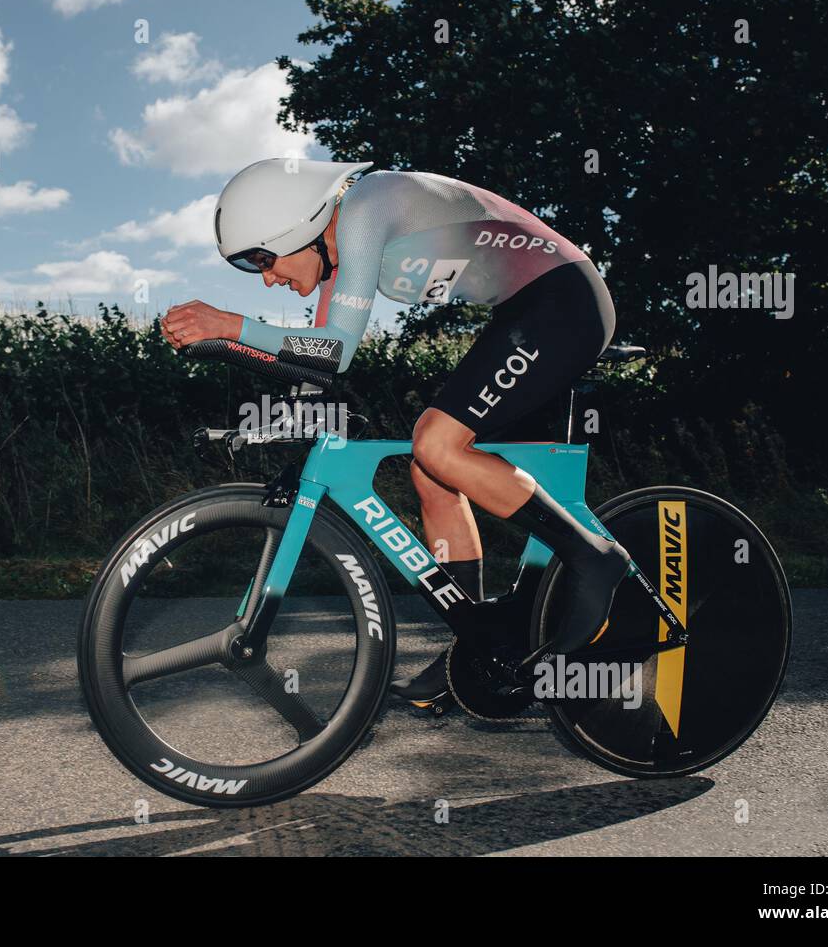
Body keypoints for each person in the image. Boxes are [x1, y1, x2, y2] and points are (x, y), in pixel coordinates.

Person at [163, 158, 629, 705]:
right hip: (522, 312)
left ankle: (595, 558)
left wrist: (229, 324)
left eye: (263, 259)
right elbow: (322, 363)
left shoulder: (366, 207)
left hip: (563, 301)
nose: (267, 278)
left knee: (437, 442)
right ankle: (475, 643)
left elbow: (336, 346)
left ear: (298, 224)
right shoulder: (335, 260)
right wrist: (265, 397)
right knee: (430, 469)